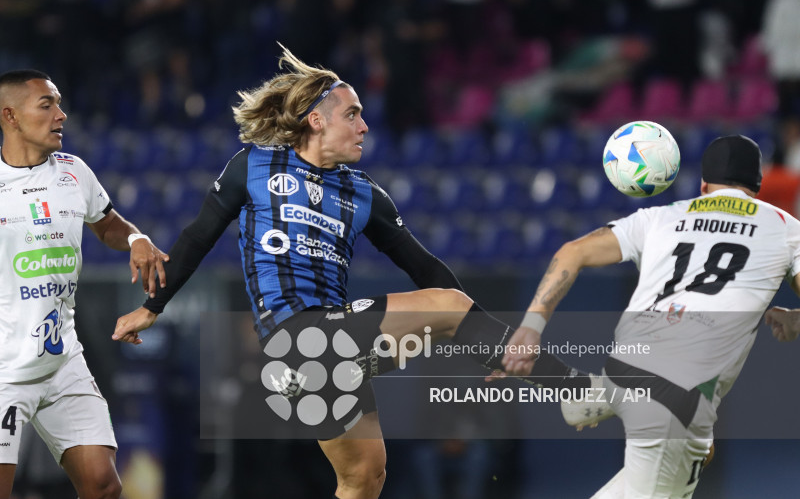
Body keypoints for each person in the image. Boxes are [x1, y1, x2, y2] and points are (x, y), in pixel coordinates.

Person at [112, 44, 596, 499]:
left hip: (330, 349)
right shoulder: (254, 167)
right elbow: (198, 237)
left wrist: (479, 338)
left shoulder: (364, 194)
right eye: (352, 114)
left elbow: (424, 266)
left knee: (365, 477)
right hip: (295, 341)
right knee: (450, 306)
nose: (364, 125)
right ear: (316, 120)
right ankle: (576, 389)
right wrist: (152, 307)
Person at [502, 134, 800, 498]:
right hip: (677, 394)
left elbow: (571, 252)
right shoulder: (786, 228)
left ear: (703, 184)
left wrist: (532, 326)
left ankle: (576, 388)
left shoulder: (660, 216)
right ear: (757, 186)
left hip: (623, 368)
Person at [0, 70, 169, 499]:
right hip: (4, 370)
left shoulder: (74, 172)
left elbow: (107, 223)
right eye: (47, 105)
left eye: (59, 103)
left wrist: (136, 237)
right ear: (10, 116)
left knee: (103, 485)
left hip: (61, 361)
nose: (62, 115)